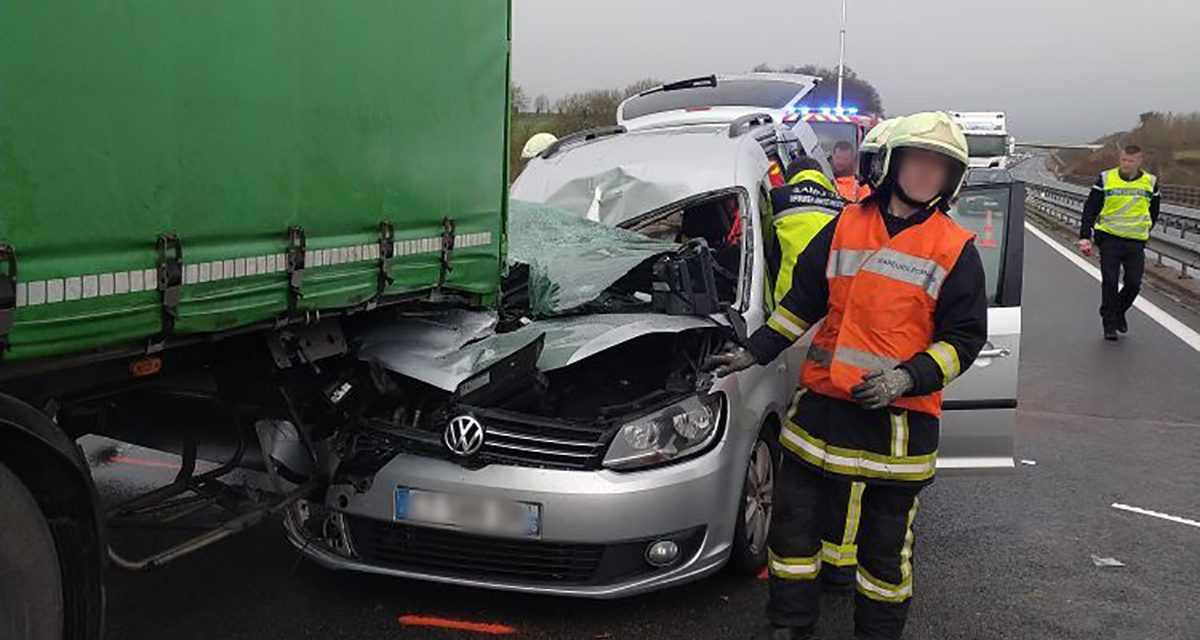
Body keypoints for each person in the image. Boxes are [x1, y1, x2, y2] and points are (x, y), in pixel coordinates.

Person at [708, 112, 988, 640]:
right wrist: (755, 351)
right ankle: (789, 623)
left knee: (885, 554)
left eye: (939, 167)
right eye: (918, 161)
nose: (927, 174)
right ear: (892, 164)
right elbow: (803, 303)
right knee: (792, 532)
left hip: (897, 424)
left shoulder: (955, 248)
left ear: (951, 181)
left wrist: (907, 378)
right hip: (822, 410)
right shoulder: (845, 223)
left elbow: (965, 340)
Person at [1077, 144, 1161, 340]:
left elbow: (1154, 211)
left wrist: (1145, 229)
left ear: (1140, 161)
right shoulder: (1106, 178)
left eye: (1131, 161)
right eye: (1123, 160)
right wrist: (1084, 236)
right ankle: (1109, 325)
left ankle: (1118, 311)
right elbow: (1091, 208)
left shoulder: (1150, 182)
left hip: (1135, 241)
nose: (1126, 164)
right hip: (1109, 238)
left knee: (1133, 283)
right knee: (1110, 282)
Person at [768, 157, 846, 305]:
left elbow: (765, 241)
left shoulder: (778, 197)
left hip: (790, 297)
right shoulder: (845, 206)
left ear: (789, 178)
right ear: (822, 175)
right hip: (832, 298)